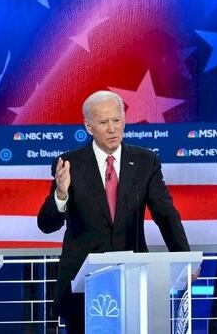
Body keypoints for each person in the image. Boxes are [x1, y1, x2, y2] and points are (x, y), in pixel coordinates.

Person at [37, 90, 191, 333]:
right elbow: (47, 225)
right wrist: (61, 193)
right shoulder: (68, 164)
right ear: (89, 127)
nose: (112, 129)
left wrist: (183, 259)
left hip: (131, 279)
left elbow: (165, 214)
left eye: (117, 120)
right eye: (103, 122)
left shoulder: (145, 161)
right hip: (82, 285)